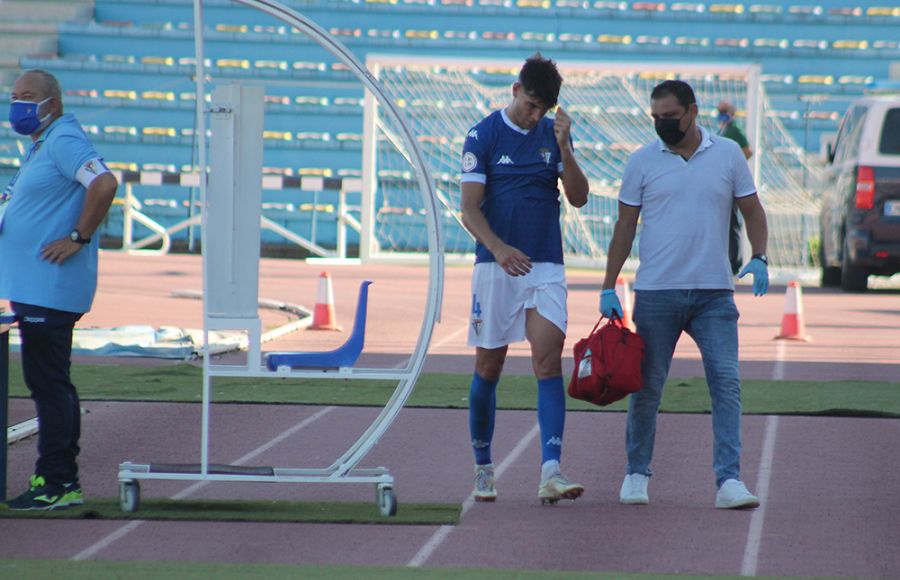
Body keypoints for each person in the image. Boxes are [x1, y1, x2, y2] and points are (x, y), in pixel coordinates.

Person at [599, 80, 769, 509]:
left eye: (669, 118)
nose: (662, 125)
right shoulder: (641, 162)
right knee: (648, 388)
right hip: (657, 293)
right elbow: (624, 227)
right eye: (656, 118)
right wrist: (608, 284)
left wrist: (761, 256)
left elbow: (752, 210)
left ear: (692, 112)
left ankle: (729, 481)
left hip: (714, 292)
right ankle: (636, 474)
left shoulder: (728, 154)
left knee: (726, 383)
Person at [460, 54, 590, 504]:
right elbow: (469, 209)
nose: (536, 115)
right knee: (488, 367)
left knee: (548, 364)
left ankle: (551, 471)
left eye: (544, 109)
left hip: (545, 266)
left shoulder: (552, 138)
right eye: (532, 105)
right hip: (495, 268)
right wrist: (498, 249)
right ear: (516, 91)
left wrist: (567, 148)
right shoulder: (483, 134)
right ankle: (482, 465)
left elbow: (578, 198)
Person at [0, 69, 118, 510]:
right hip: (34, 286)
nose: (18, 104)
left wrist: (77, 237)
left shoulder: (64, 140)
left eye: (27, 96)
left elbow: (104, 183)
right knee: (49, 382)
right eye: (13, 96)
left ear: (52, 103)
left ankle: (58, 482)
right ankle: (58, 479)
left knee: (49, 384)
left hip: (48, 287)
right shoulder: (43, 145)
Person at [717, 101, 754, 276]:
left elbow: (748, 151)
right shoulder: (722, 130)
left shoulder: (734, 130)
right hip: (722, 183)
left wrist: (732, 165)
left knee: (732, 225)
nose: (721, 114)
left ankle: (734, 264)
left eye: (724, 111)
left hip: (730, 185)